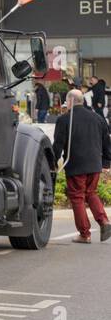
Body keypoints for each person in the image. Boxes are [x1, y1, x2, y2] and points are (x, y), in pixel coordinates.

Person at [52, 89, 111, 244]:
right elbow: (107, 142)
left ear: (70, 101)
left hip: (75, 164)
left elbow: (58, 144)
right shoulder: (98, 118)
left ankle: (85, 234)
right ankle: (104, 221)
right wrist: (106, 162)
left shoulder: (64, 120)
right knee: (91, 193)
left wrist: (53, 163)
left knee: (77, 197)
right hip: (94, 164)